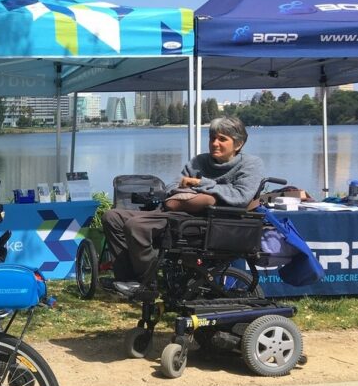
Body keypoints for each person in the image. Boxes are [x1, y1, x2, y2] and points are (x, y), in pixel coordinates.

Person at [102, 116, 265, 296]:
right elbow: (172, 186)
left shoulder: (250, 164)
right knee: (112, 217)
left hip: (205, 220)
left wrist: (200, 184)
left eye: (222, 139)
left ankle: (147, 282)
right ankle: (126, 278)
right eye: (212, 138)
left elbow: (241, 196)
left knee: (136, 226)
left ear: (238, 144)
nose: (215, 143)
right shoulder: (199, 161)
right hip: (174, 209)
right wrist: (189, 191)